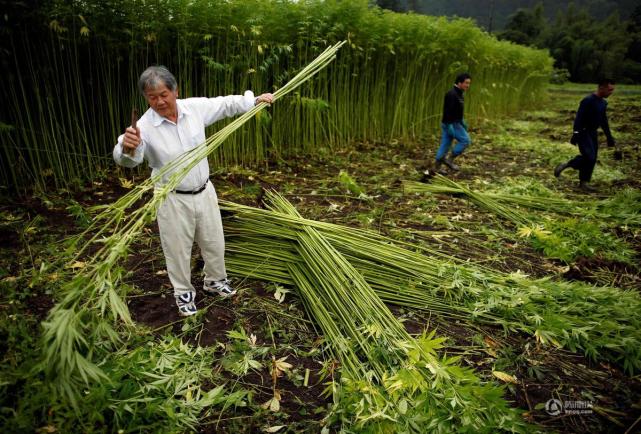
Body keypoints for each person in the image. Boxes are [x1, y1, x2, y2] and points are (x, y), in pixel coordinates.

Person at [114, 65, 274, 316]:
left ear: (175, 91)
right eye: (152, 97)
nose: (159, 102)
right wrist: (127, 147)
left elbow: (224, 104)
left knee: (214, 242)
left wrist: (253, 101)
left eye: (163, 94)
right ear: (145, 98)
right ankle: (184, 293)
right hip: (172, 198)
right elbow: (129, 159)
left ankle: (215, 281)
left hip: (204, 190)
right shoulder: (144, 127)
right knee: (177, 249)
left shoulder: (193, 109)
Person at [554, 79, 616, 192]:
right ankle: (566, 165)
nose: (611, 92)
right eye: (610, 89)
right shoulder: (588, 100)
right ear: (601, 87)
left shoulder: (603, 103)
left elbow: (603, 121)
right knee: (589, 157)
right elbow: (579, 118)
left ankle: (584, 183)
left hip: (592, 133)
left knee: (592, 159)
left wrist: (609, 137)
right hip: (583, 132)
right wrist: (575, 134)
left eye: (612, 90)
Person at [434, 73, 472, 173]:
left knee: (445, 145)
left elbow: (457, 110)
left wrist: (462, 120)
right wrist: (449, 124)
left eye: (469, 83)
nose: (468, 85)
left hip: (454, 122)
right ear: (459, 82)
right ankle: (449, 160)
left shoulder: (460, 93)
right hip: (451, 123)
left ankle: (436, 168)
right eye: (466, 83)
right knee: (465, 141)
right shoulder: (452, 94)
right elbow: (448, 111)